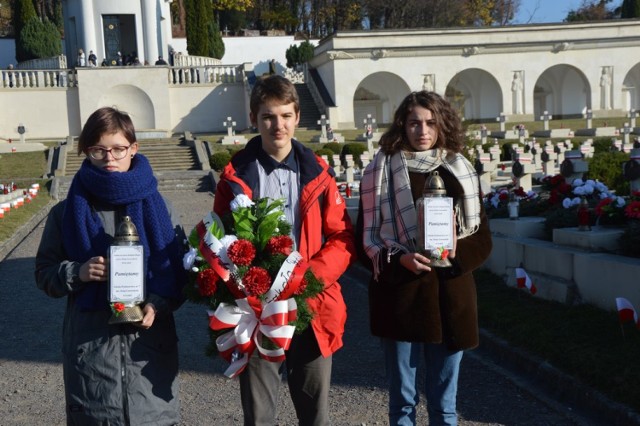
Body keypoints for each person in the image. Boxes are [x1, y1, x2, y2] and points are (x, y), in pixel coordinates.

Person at [213, 74, 356, 425]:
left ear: (297, 117)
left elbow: (341, 237)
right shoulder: (236, 177)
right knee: (259, 417)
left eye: (285, 116)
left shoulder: (318, 174)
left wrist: (310, 278)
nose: (278, 125)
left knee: (314, 415)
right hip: (258, 308)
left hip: (311, 303)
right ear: (254, 119)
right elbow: (217, 237)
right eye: (268, 117)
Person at [35, 107, 186, 425]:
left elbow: (179, 276)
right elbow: (44, 273)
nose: (109, 158)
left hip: (148, 354)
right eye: (98, 150)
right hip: (93, 357)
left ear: (134, 148)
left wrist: (157, 305)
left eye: (118, 148)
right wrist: (77, 272)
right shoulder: (65, 213)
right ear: (86, 151)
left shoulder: (161, 208)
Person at [357, 91, 492, 426]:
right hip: (401, 295)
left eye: (431, 122)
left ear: (442, 124)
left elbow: (482, 238)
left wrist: (455, 258)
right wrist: (398, 261)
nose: (423, 130)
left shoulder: (459, 169)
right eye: (415, 122)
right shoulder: (380, 171)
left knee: (445, 405)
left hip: (451, 296)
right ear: (403, 124)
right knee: (403, 401)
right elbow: (365, 240)